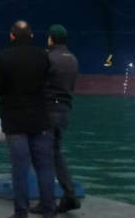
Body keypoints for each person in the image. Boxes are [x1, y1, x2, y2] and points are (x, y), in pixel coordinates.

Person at [0, 21, 55, 218]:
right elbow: (50, 83)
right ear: (31, 36)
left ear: (11, 36)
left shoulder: (3, 57)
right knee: (45, 167)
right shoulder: (43, 56)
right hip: (41, 119)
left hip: (15, 121)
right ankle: (49, 210)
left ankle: (21, 211)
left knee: (20, 169)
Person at [43, 24, 80, 214]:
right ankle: (70, 194)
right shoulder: (72, 59)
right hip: (65, 110)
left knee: (43, 155)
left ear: (51, 39)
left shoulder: (48, 58)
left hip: (48, 110)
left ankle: (46, 201)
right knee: (56, 153)